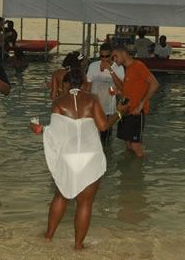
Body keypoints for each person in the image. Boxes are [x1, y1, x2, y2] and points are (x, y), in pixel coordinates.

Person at [29, 68, 128, 250]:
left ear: (66, 84)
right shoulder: (92, 99)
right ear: (83, 84)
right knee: (85, 203)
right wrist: (120, 112)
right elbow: (104, 126)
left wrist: (36, 128)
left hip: (68, 156)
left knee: (61, 195)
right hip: (90, 155)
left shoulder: (58, 103)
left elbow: (54, 133)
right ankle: (78, 245)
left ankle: (49, 236)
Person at [111, 44, 159, 157]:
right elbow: (131, 90)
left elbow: (154, 84)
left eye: (115, 56)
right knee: (127, 143)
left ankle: (139, 171)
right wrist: (119, 92)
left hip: (135, 112)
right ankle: (129, 172)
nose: (114, 59)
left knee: (135, 147)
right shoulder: (128, 69)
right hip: (125, 111)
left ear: (123, 53)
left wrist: (141, 104)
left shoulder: (137, 66)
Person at [84, 43, 125, 144]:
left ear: (112, 55)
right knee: (91, 139)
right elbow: (88, 87)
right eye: (102, 56)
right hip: (93, 107)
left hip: (108, 110)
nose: (104, 59)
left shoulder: (119, 68)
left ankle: (107, 158)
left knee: (105, 140)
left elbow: (122, 88)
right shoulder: (93, 66)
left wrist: (110, 70)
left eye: (107, 56)